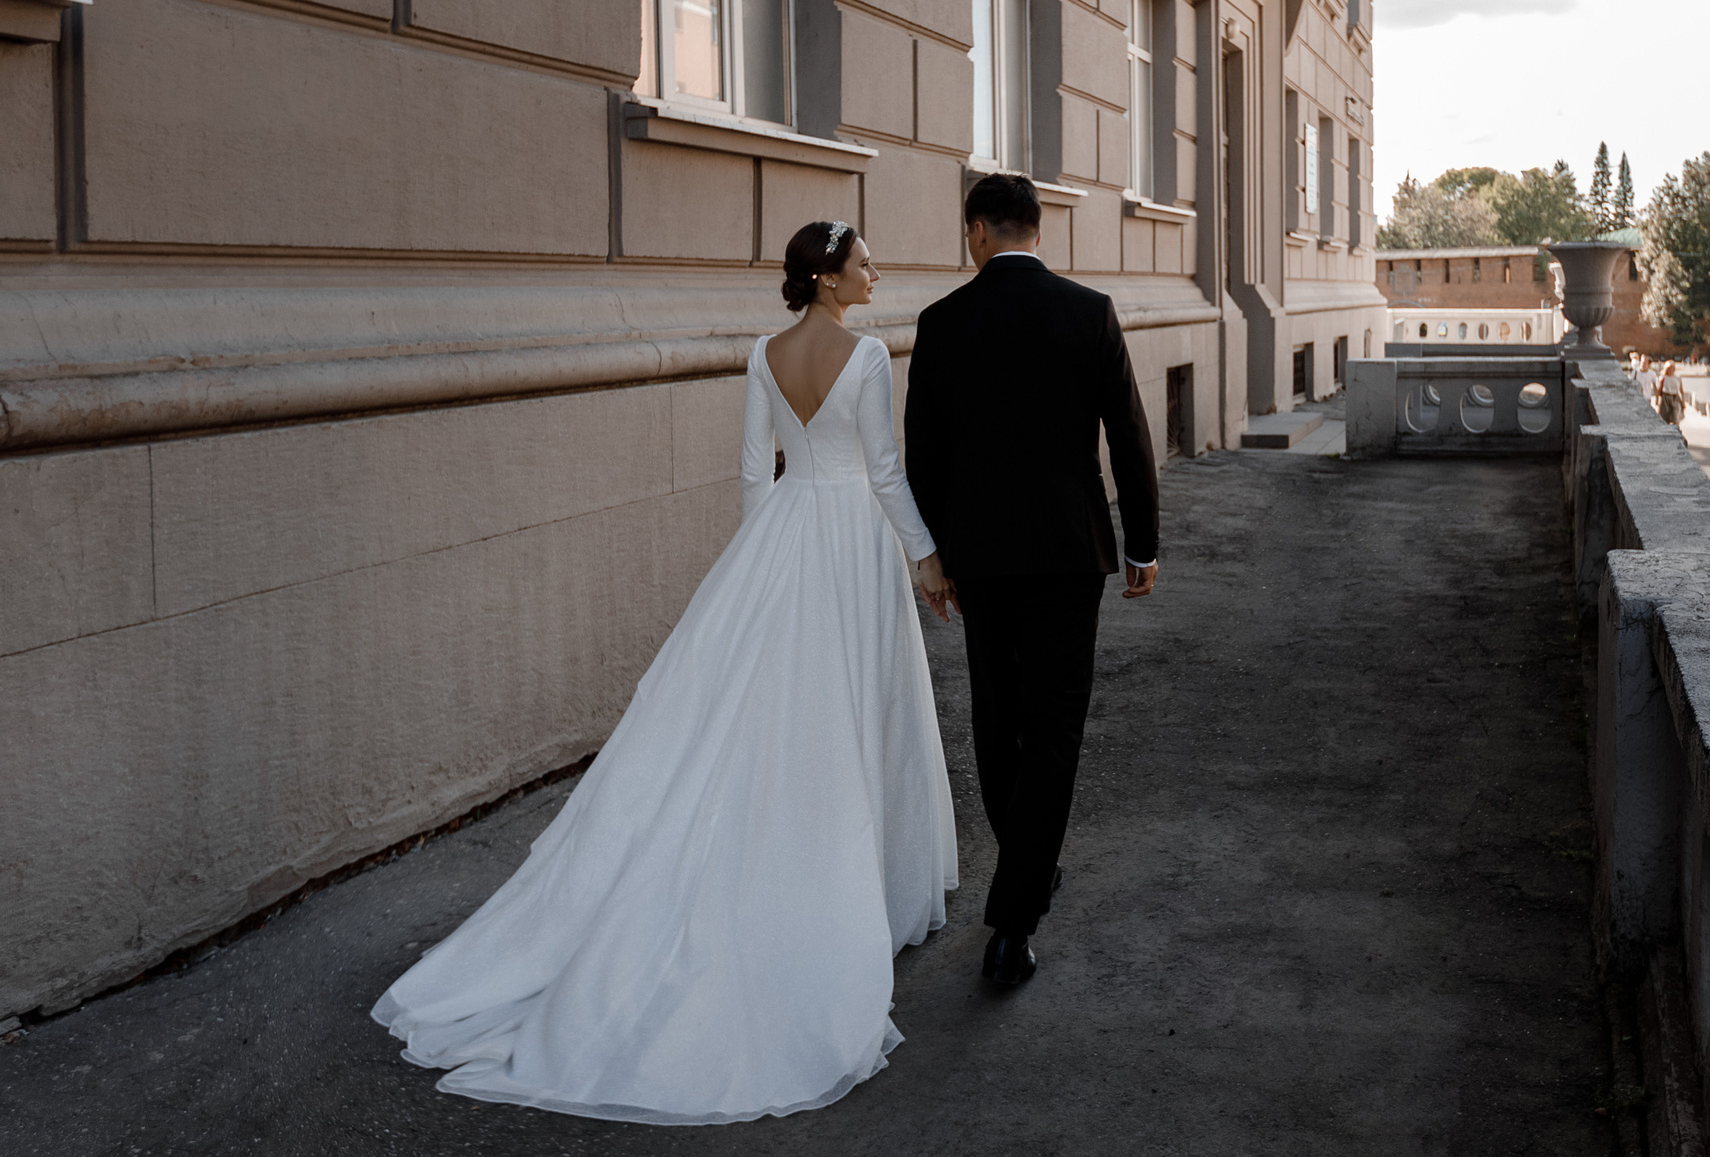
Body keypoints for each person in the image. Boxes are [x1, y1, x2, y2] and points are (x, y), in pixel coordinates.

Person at [373, 222, 956, 1124]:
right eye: (865, 260)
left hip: (784, 539)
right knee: (853, 705)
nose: (875, 270)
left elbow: (752, 478)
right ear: (830, 277)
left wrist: (757, 565)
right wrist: (922, 555)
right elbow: (883, 471)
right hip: (850, 547)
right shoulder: (869, 354)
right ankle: (848, 883)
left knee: (771, 711)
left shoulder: (764, 353)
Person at [904, 173, 1160, 990]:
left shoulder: (941, 322)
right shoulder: (1088, 312)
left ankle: (1023, 875)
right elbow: (1128, 434)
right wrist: (1142, 545)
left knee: (994, 715)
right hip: (1066, 551)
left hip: (978, 555)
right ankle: (1015, 916)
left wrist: (934, 554)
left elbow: (925, 454)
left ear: (977, 230)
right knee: (1054, 728)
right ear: (1037, 230)